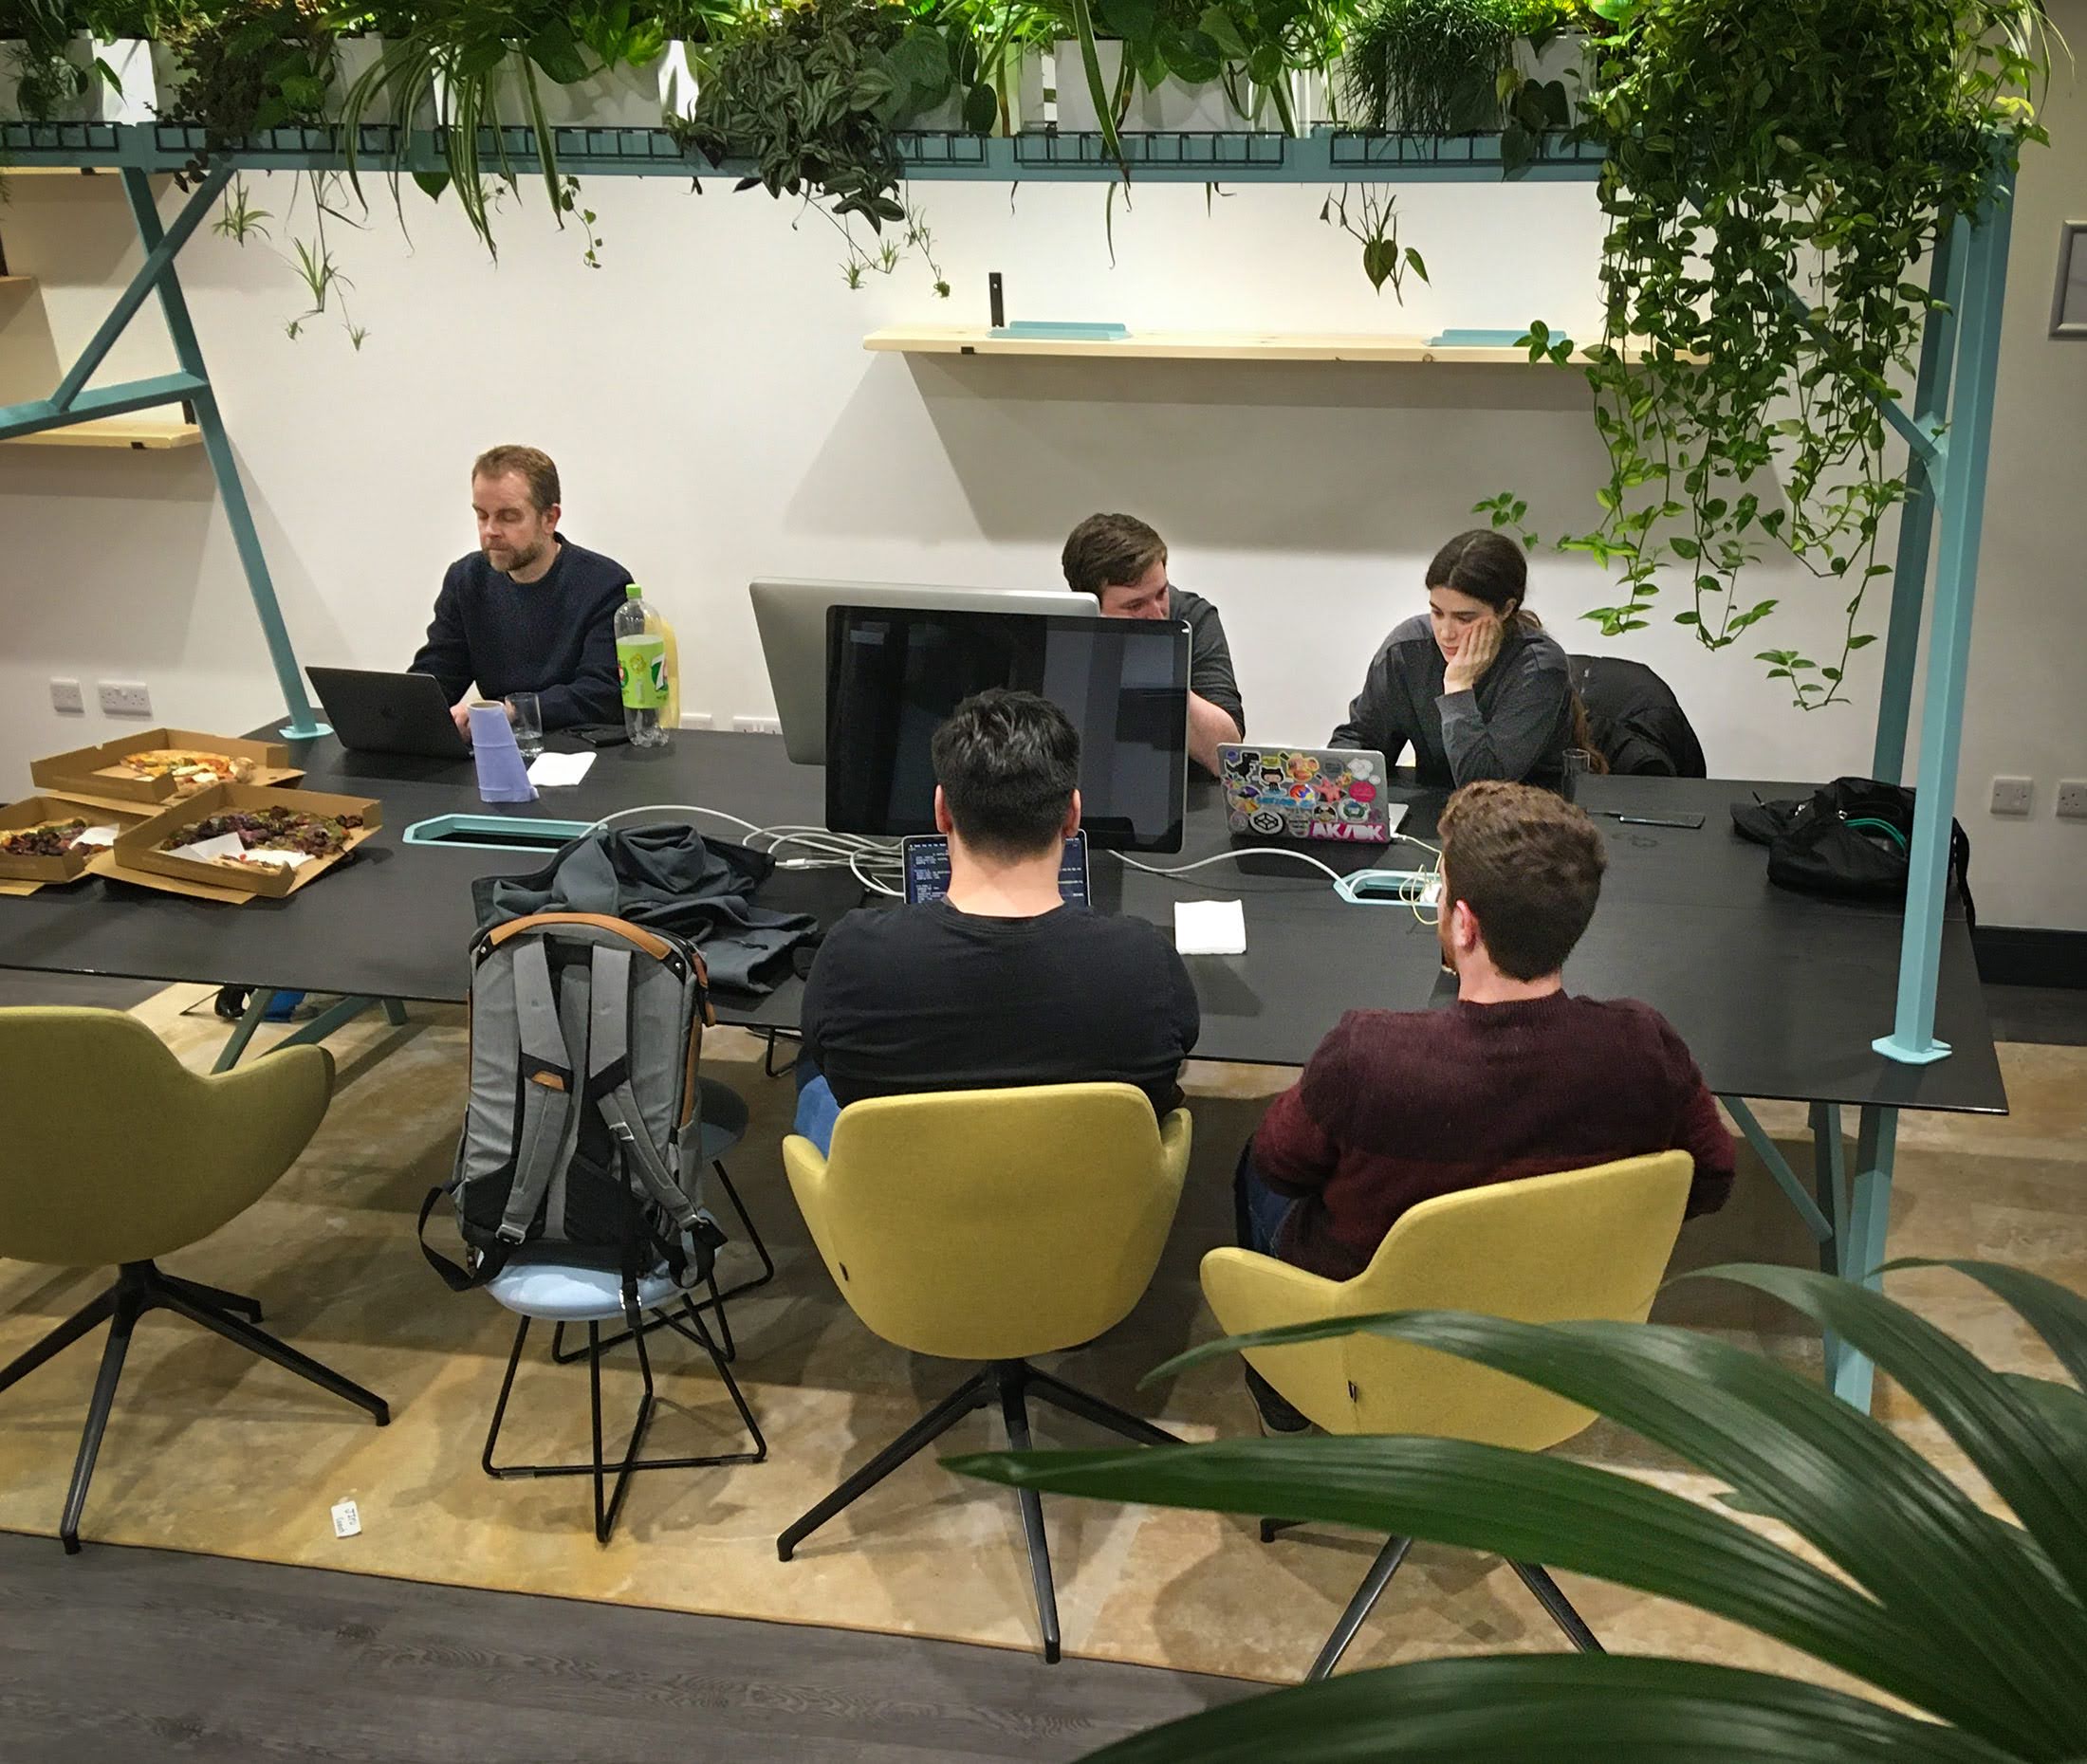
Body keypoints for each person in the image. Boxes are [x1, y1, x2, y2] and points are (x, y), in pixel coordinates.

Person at [1236, 780, 1734, 1426]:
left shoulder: (1367, 1055)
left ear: (1465, 923)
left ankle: (1286, 1397)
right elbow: (1711, 1176)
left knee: (1253, 1166)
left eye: (1441, 889)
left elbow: (1278, 1166)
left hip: (1379, 1341)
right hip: (1557, 1342)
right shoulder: (1645, 1046)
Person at [795, 689, 1201, 1152]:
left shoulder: (851, 957)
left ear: (941, 812)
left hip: (899, 1193)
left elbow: (827, 1054)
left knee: (814, 1072)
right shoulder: (1146, 964)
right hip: (1091, 1194)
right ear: (1073, 815)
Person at [1331, 529, 1586, 787]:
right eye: (1437, 613)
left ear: (1506, 609)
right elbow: (1361, 739)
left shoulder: (1539, 667)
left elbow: (1483, 787)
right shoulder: (1406, 650)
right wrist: (1334, 782)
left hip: (1528, 806)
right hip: (1433, 803)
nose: (1446, 633)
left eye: (1464, 618)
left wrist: (1458, 687)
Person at [411, 445, 632, 739]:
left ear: (549, 519)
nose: (490, 531)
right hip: (497, 748)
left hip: (581, 749)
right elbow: (440, 671)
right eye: (482, 515)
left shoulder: (604, 583)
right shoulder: (466, 579)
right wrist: (402, 707)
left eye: (508, 517)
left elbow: (601, 694)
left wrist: (513, 712)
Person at [1062, 513, 1244, 776]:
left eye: (1161, 594)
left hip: (1188, 790)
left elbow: (1227, 757)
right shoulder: (1063, 631)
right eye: (1135, 605)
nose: (1157, 615)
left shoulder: (1192, 618)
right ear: (1092, 606)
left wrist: (1158, 666)